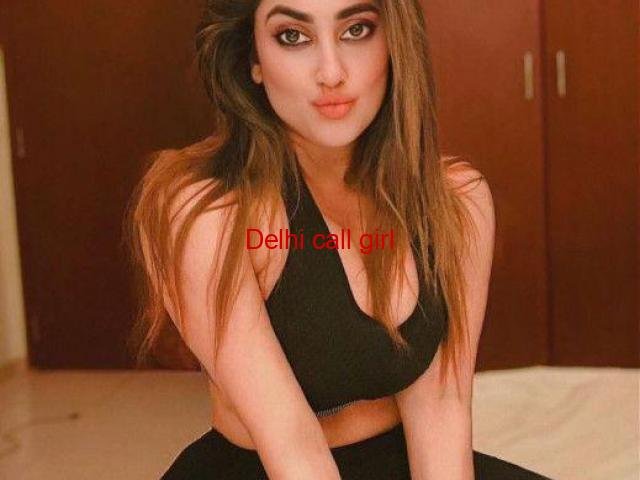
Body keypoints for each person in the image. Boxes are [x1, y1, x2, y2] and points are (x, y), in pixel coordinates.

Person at [124, 1, 554, 478]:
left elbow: (441, 410)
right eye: (293, 36)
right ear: (253, 59)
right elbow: (291, 443)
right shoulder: (208, 209)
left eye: (356, 30)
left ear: (393, 43)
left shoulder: (455, 199)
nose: (331, 72)